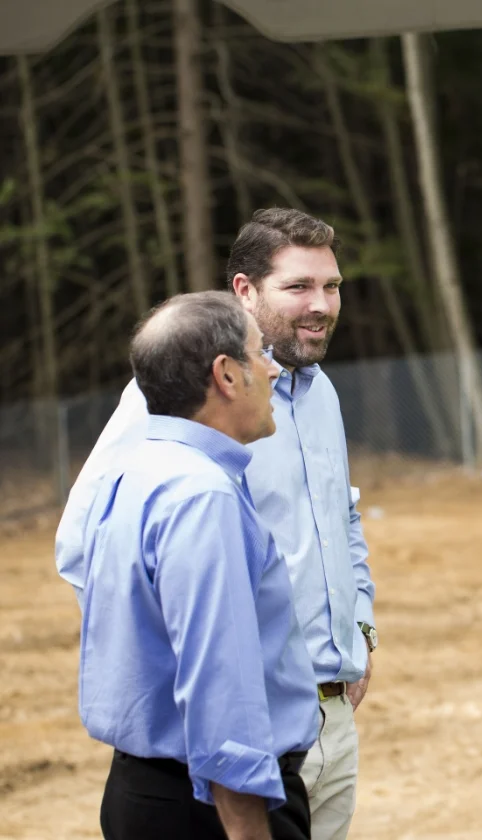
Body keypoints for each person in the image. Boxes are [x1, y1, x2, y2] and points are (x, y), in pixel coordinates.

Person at [56, 209, 377, 840]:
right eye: (299, 288)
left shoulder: (322, 393)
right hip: (231, 739)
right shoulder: (173, 402)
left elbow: (342, 517)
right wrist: (181, 684)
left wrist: (359, 628)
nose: (321, 305)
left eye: (332, 286)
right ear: (244, 291)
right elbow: (85, 546)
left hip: (328, 719)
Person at [81, 291, 318, 840]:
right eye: (261, 353)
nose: (274, 368)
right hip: (213, 807)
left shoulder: (134, 474)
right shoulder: (202, 496)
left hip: (144, 789)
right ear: (227, 375)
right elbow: (219, 680)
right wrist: (247, 826)